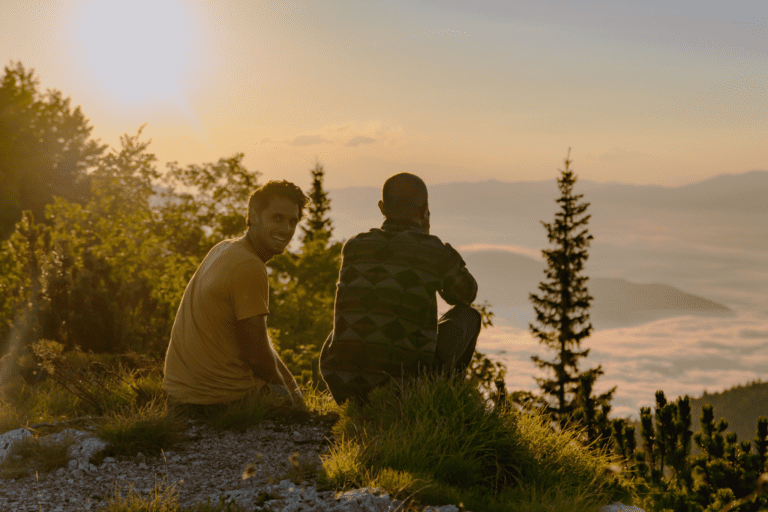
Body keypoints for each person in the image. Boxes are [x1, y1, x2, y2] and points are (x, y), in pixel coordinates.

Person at [319, 172, 482, 406]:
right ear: (424, 209)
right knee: (469, 317)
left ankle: (356, 395)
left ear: (382, 208)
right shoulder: (434, 251)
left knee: (347, 324)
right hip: (403, 392)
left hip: (344, 387)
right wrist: (430, 242)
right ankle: (441, 403)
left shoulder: (354, 246)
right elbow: (466, 295)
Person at [163, 180, 307, 415]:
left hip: (180, 396)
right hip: (217, 402)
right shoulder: (249, 266)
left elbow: (257, 339)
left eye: (293, 221)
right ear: (254, 216)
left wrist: (294, 389)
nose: (286, 229)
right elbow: (259, 357)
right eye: (277, 218)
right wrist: (291, 399)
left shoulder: (225, 248)